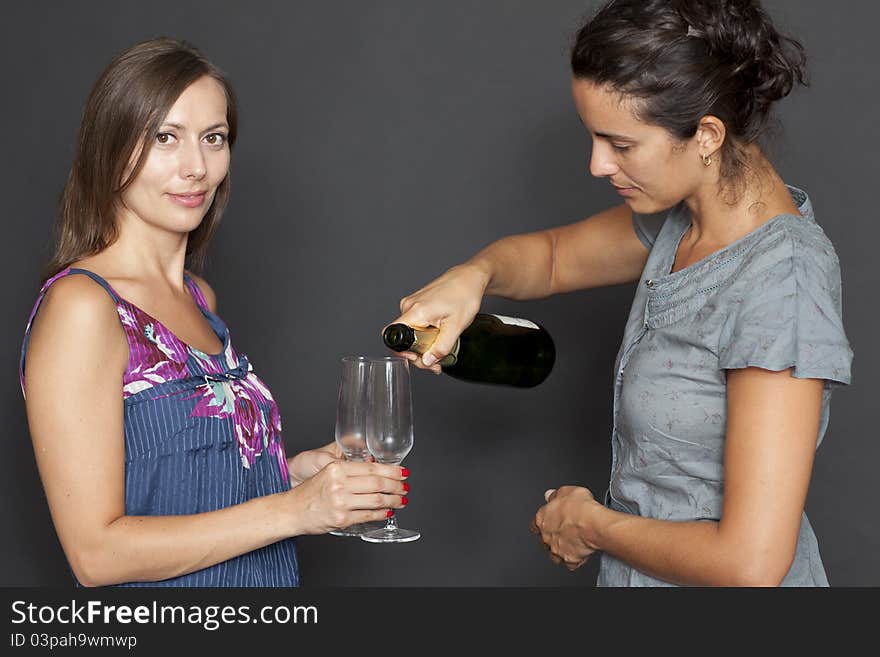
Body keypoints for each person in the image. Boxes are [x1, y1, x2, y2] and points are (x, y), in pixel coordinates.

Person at [388, 0, 852, 586]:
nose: (596, 165)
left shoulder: (781, 281)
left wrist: (589, 525)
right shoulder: (689, 217)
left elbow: (751, 563)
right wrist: (472, 276)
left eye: (621, 144)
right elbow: (552, 259)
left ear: (707, 134)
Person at [19, 37, 409, 587]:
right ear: (110, 147)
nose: (196, 167)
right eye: (165, 138)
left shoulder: (199, 297)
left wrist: (293, 477)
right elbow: (96, 555)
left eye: (213, 138)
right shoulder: (83, 307)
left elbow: (184, 482)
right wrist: (296, 511)